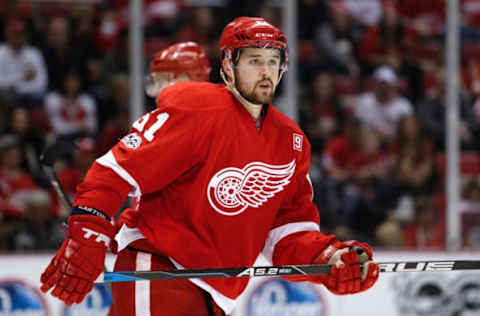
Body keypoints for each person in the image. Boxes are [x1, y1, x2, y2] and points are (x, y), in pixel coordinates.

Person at [39, 17, 379, 316]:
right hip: (161, 269)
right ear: (228, 67)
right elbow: (114, 171)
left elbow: (286, 235)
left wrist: (329, 260)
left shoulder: (290, 141)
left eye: (273, 62)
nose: (265, 71)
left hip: (217, 294)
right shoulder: (197, 108)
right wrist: (88, 231)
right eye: (254, 61)